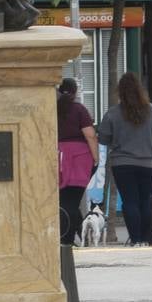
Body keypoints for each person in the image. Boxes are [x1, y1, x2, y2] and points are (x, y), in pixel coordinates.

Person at [96, 73, 152, 246]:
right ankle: (147, 240)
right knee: (146, 200)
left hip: (123, 163)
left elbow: (103, 138)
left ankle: (135, 239)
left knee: (130, 201)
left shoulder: (113, 114)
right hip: (149, 162)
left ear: (120, 92)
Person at [56, 78, 98, 245]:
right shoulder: (79, 109)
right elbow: (89, 135)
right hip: (79, 157)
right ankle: (68, 237)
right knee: (73, 201)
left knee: (64, 199)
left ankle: (71, 235)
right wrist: (96, 158)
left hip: (58, 155)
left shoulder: (53, 109)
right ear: (75, 91)